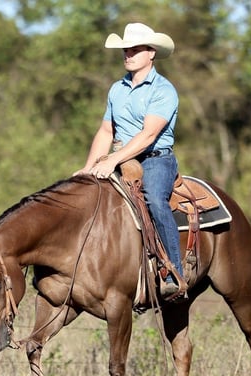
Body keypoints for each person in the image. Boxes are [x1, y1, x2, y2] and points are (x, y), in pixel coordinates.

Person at [74, 22, 184, 299]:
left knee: (156, 200)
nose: (128, 54)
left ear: (152, 53)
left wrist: (111, 161)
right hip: (121, 158)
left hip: (155, 160)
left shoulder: (164, 90)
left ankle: (173, 271)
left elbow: (148, 135)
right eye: (126, 49)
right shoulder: (117, 89)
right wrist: (88, 168)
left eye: (135, 49)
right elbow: (106, 131)